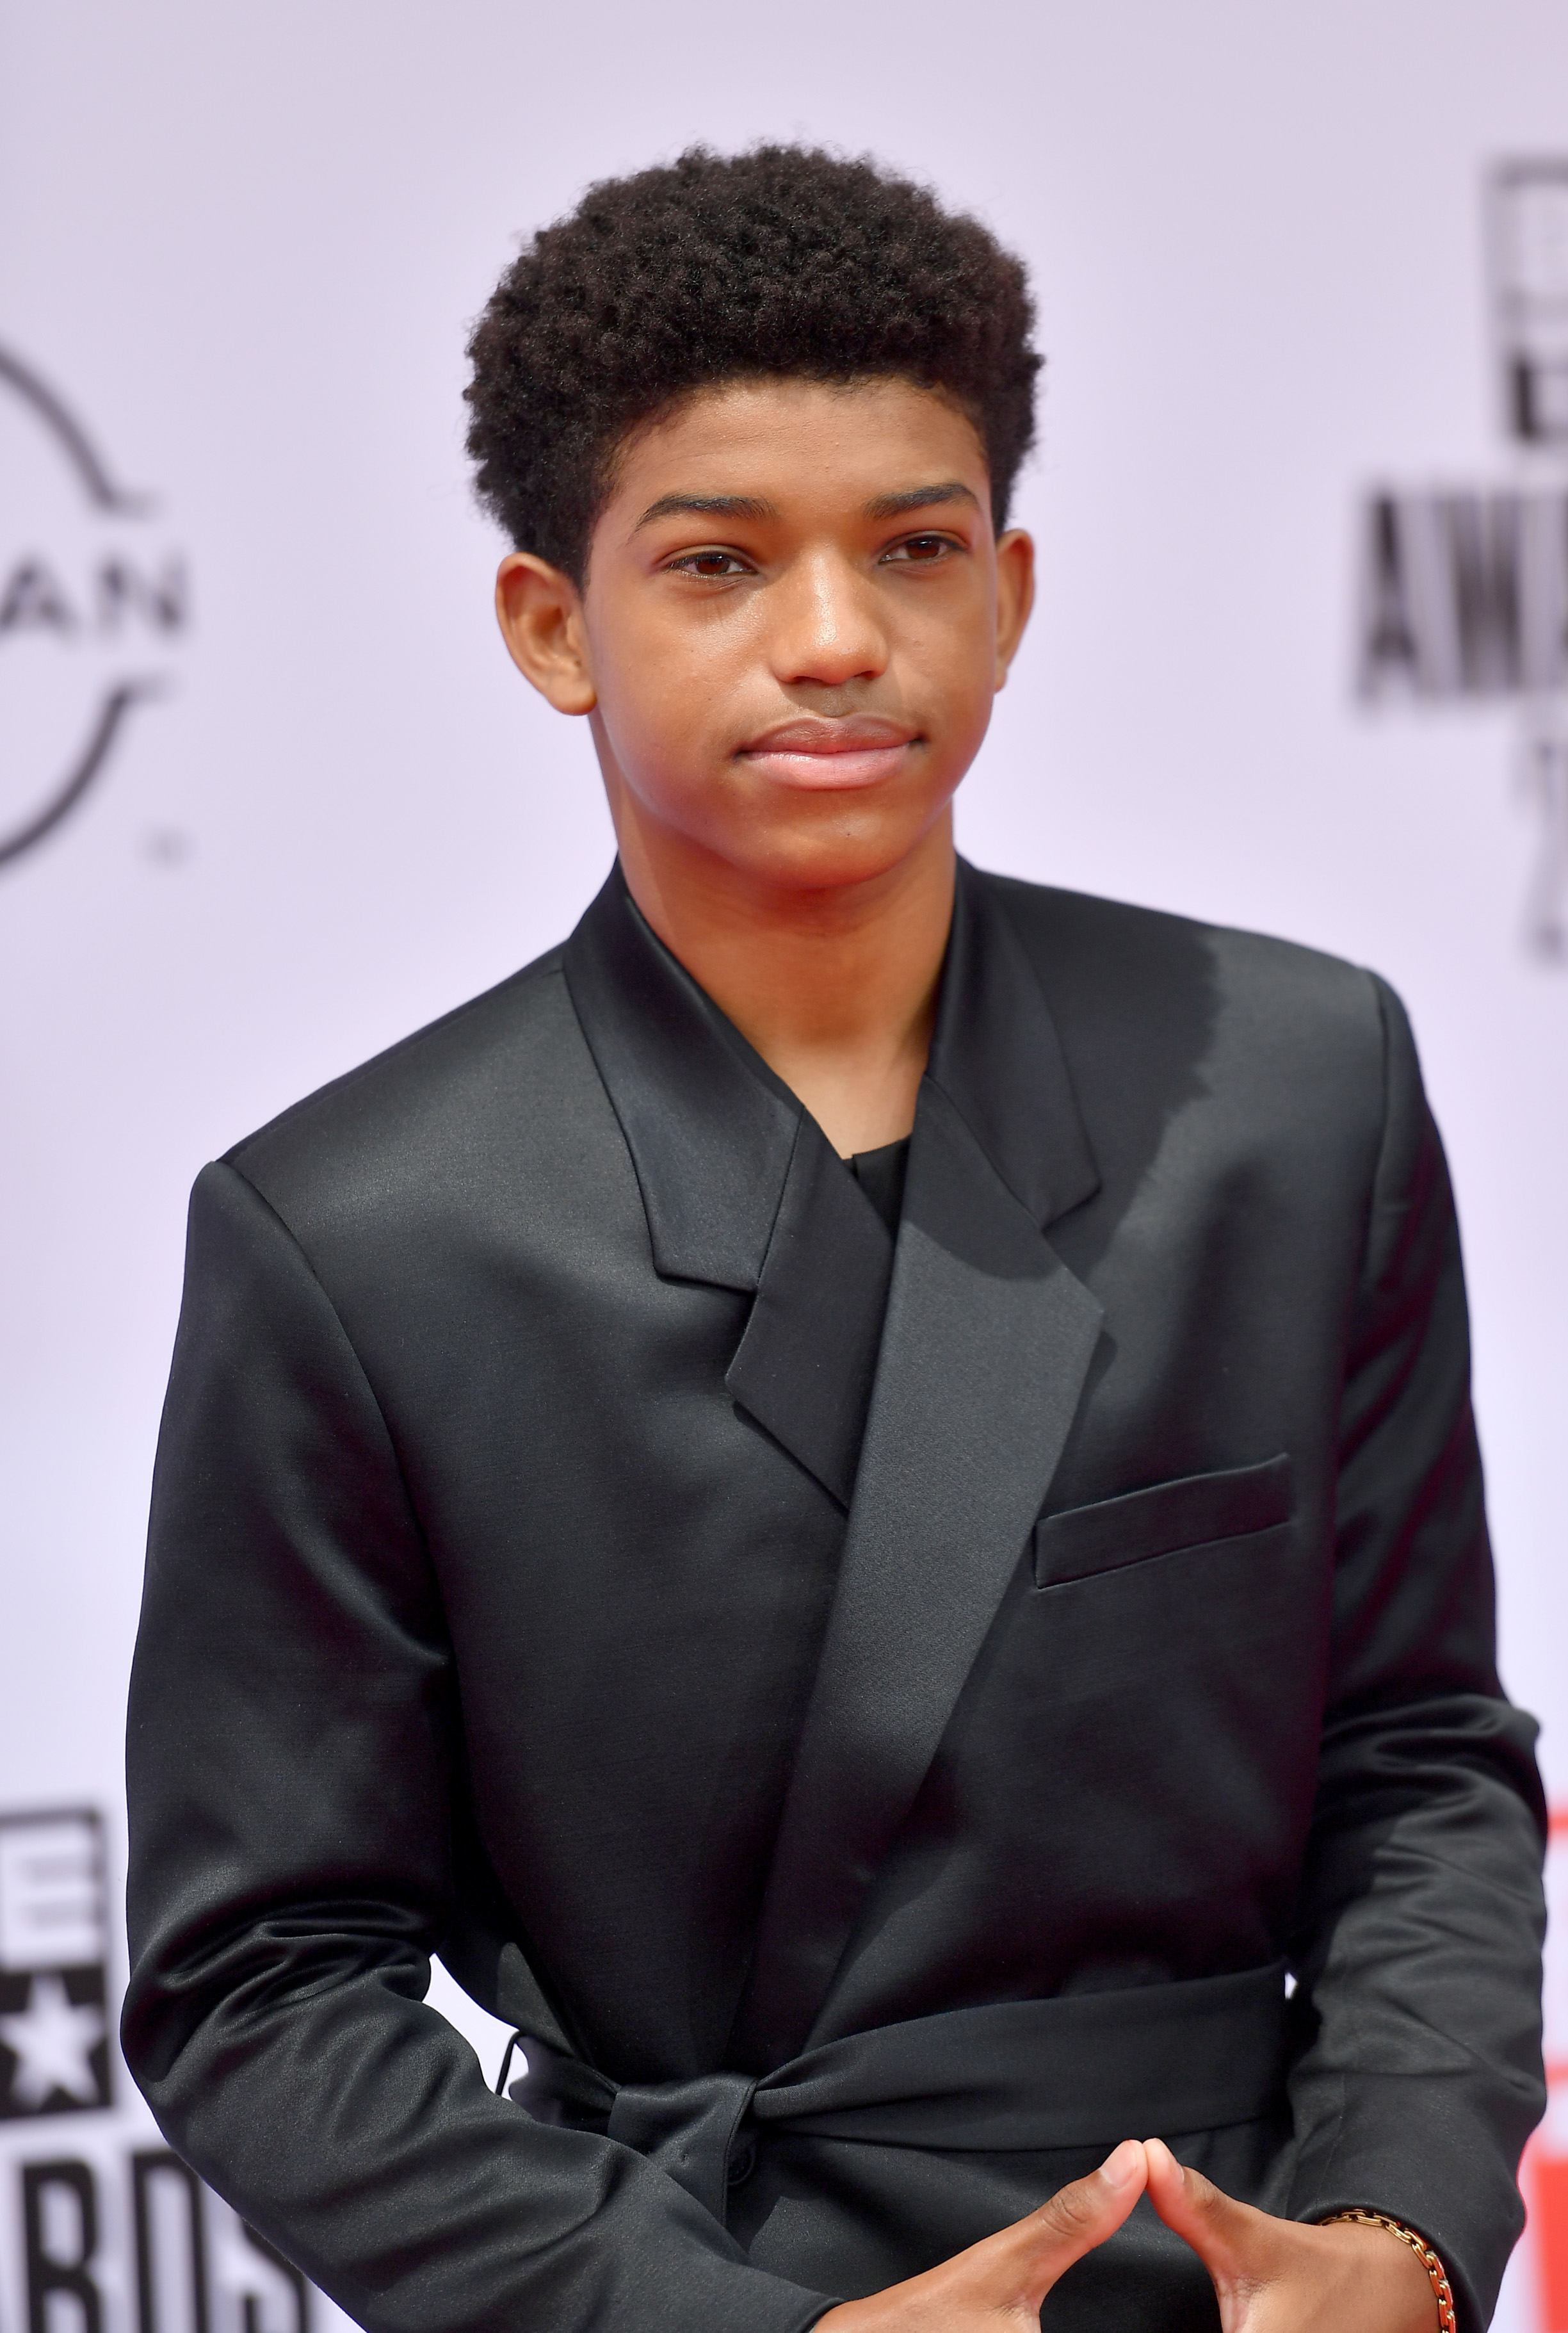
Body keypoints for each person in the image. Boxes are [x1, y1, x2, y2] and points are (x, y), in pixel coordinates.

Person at [122, 147, 1546, 2333]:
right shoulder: (358, 1232)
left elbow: (1419, 1755)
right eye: (716, 560)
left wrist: (1404, 2232)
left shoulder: (1285, 1081)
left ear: (1012, 590)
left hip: (1246, 2275)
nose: (831, 638)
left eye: (912, 547)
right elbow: (257, 1982)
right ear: (547, 626)